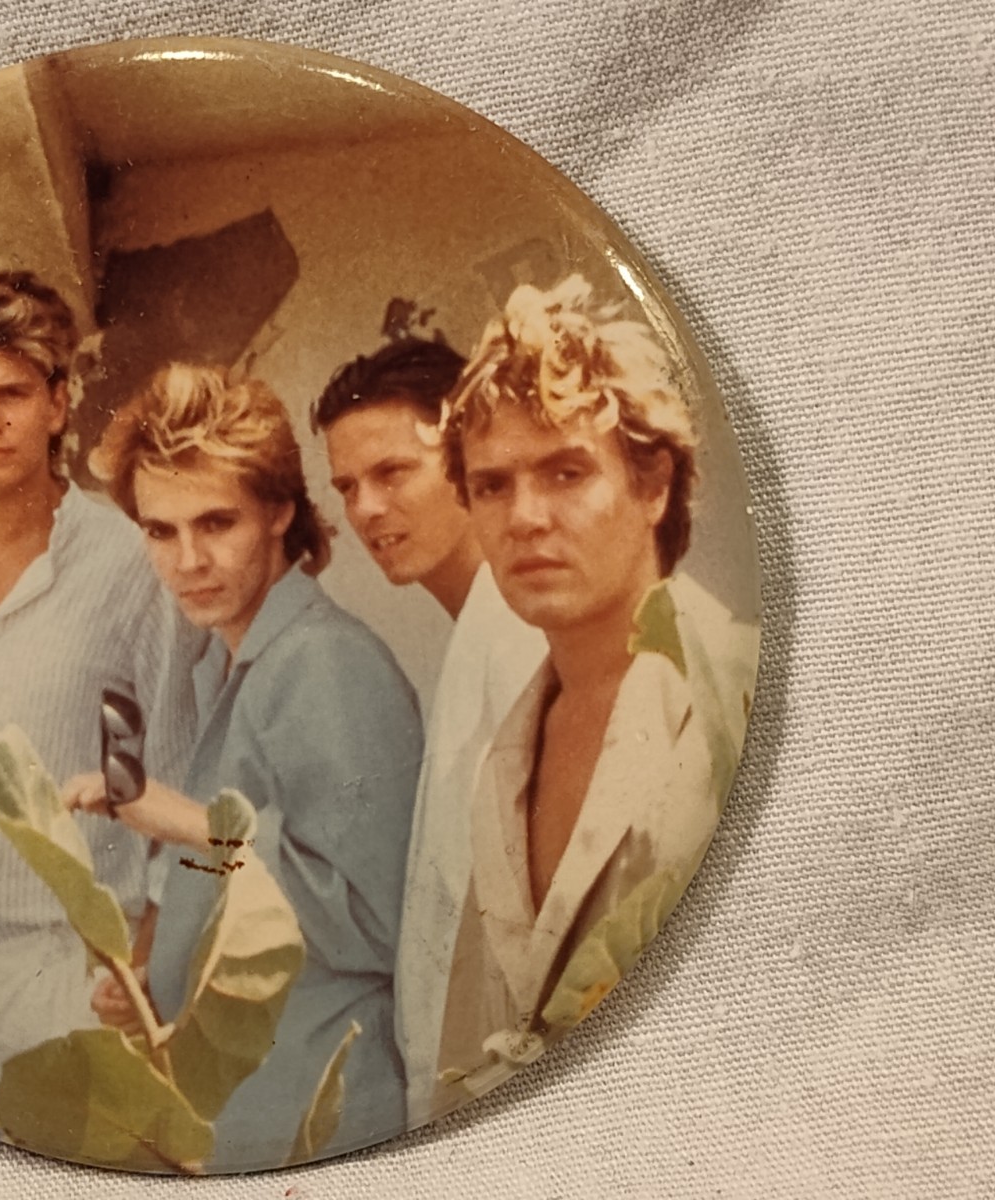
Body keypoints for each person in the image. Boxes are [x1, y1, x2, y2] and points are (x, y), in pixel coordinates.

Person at [66, 364, 424, 1167]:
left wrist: (185, 821)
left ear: (280, 511)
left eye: (216, 522)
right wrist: (167, 979)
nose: (188, 559)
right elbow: (259, 889)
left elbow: (376, 923)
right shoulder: (236, 664)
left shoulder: (322, 661)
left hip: (330, 1113)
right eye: (160, 532)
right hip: (262, 1111)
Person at [428, 275, 757, 1113]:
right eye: (492, 485)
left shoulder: (741, 693)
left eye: (567, 472)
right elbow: (469, 1063)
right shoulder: (505, 761)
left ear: (653, 486)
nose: (525, 517)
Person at [0, 269, 198, 1125]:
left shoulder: (129, 564)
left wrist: (146, 967)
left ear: (58, 403)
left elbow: (180, 778)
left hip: (71, 987)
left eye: (12, 393)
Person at [312, 339, 546, 1126]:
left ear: (467, 458)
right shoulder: (475, 636)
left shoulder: (523, 633)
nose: (366, 510)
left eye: (392, 473)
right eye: (348, 487)